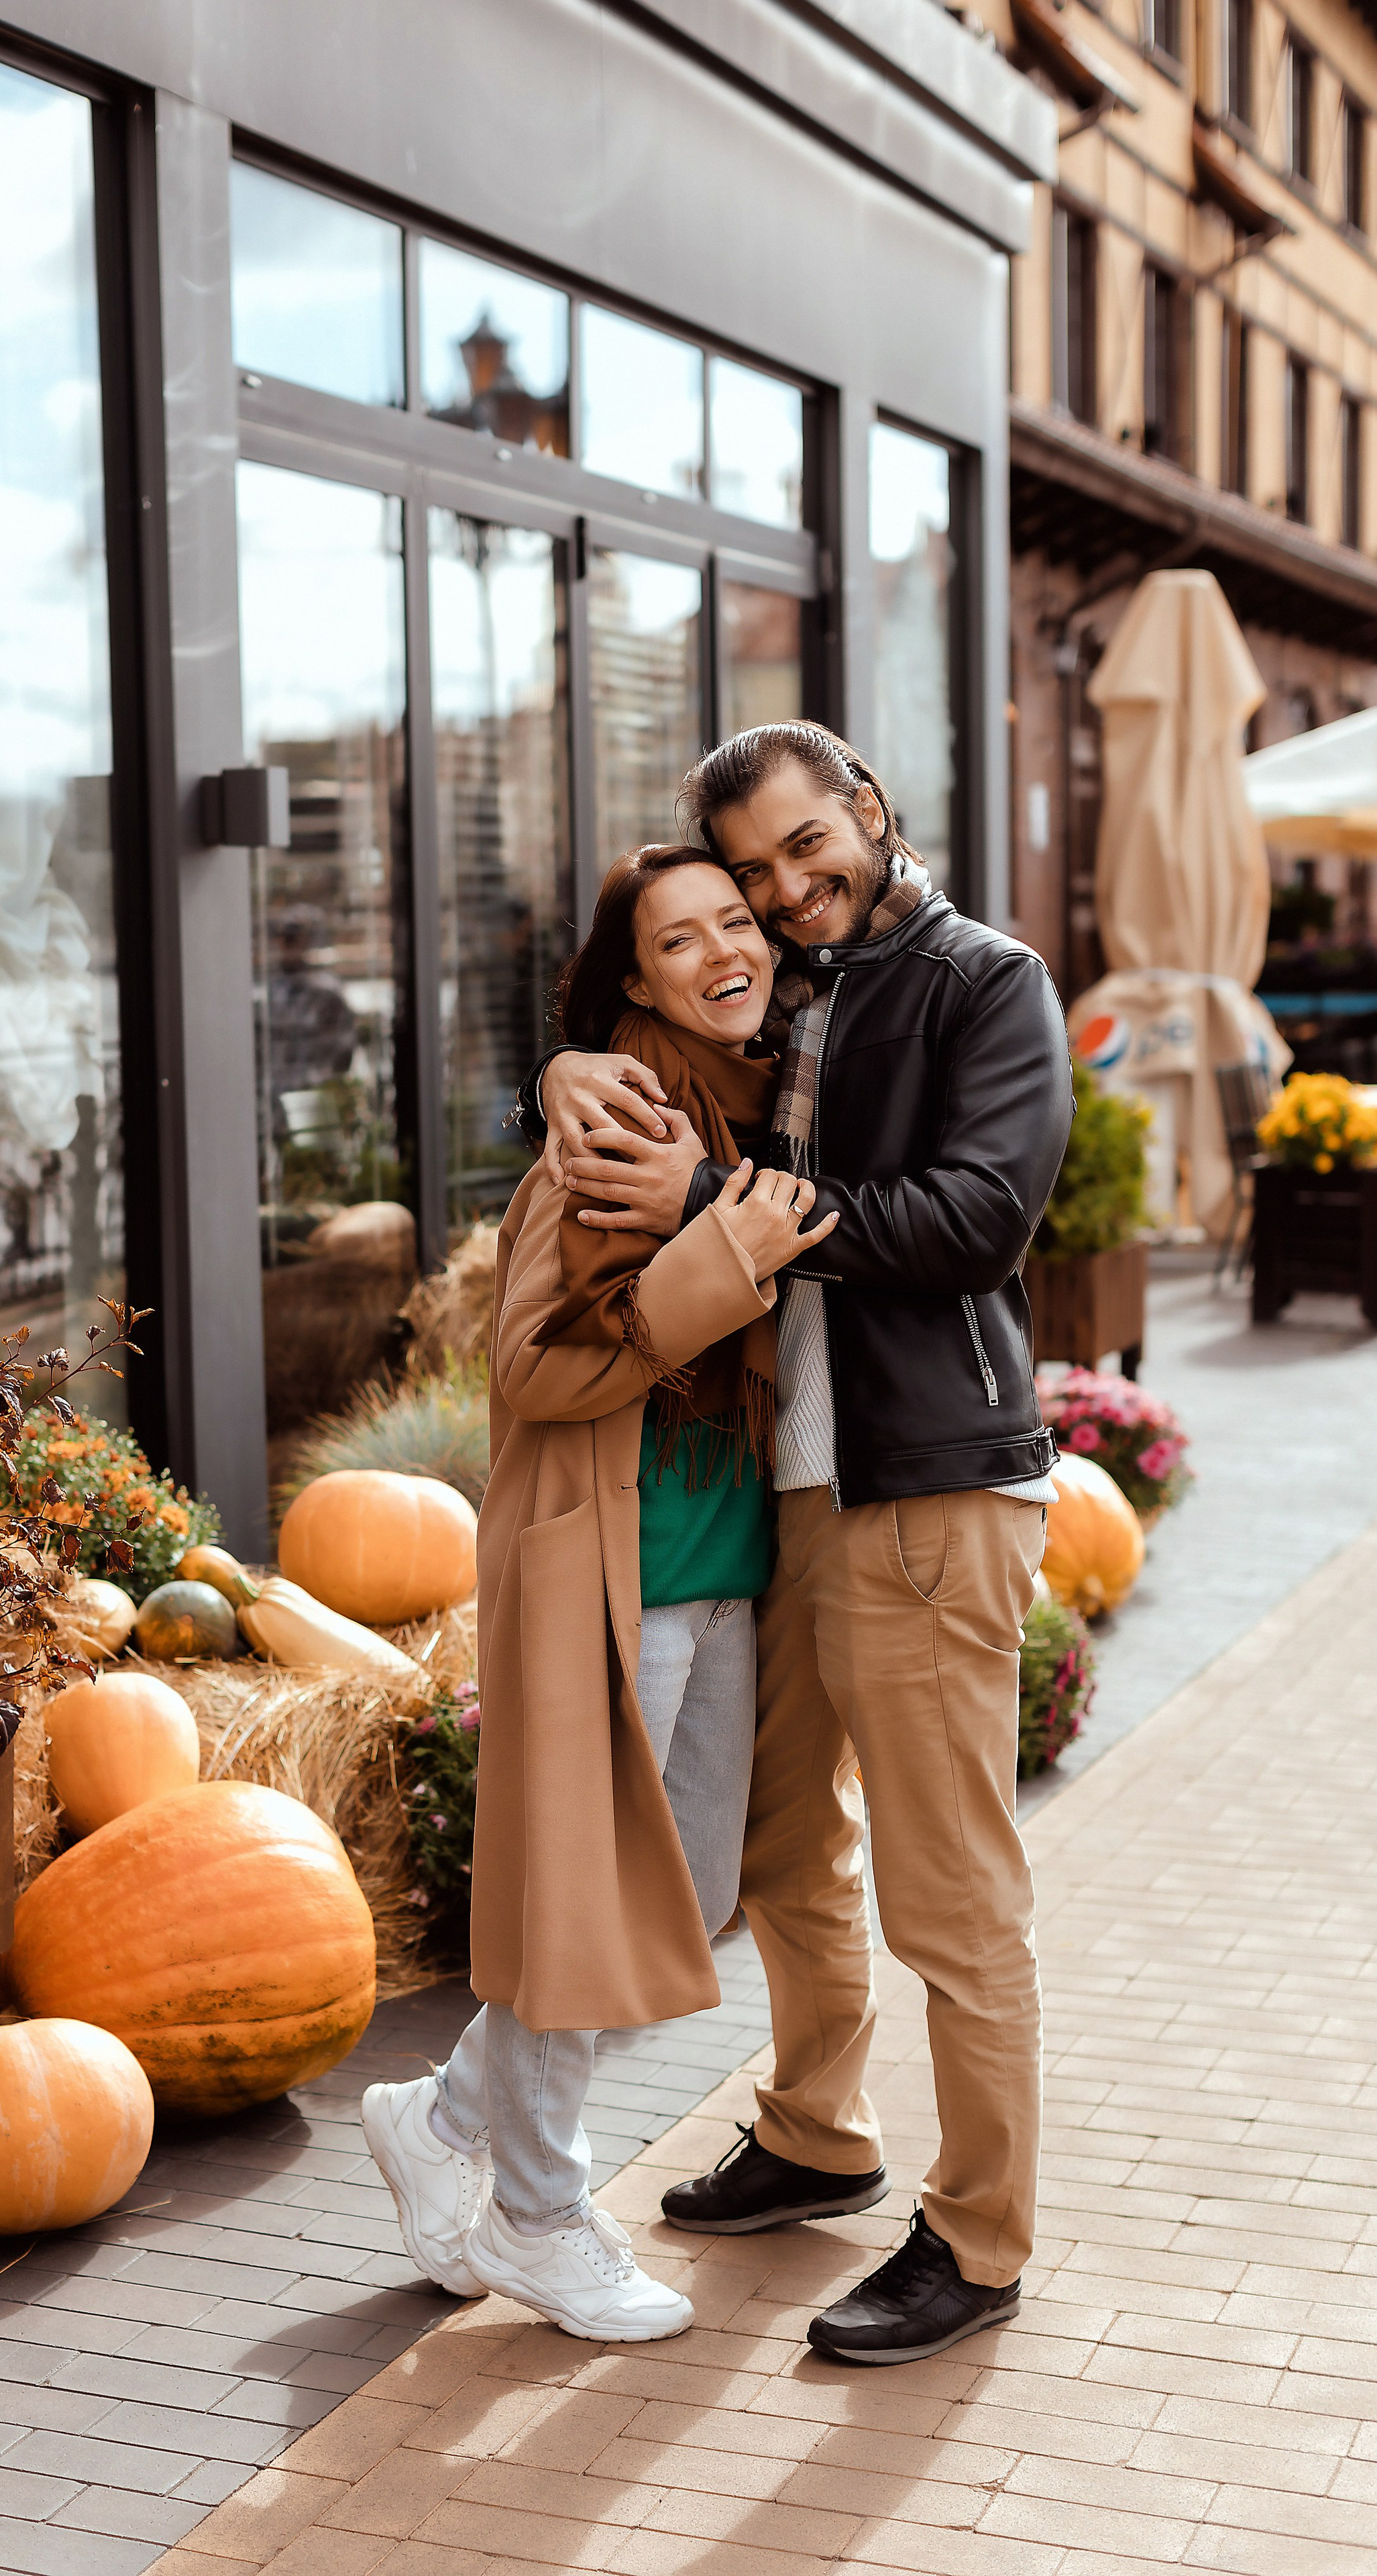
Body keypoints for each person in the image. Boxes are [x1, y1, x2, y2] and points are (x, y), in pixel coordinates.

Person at [527, 722, 1074, 2366]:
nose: (776, 893)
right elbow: (636, 1018)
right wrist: (551, 1065)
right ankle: (818, 2131)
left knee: (947, 1892)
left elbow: (980, 1218)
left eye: (797, 852)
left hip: (930, 1484)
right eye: (750, 877)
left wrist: (727, 1195)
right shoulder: (794, 988)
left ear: (867, 812)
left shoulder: (986, 981)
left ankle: (978, 2237)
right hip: (802, 1492)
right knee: (781, 1850)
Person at [362, 845, 837, 2341]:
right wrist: (716, 1267)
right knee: (580, 1910)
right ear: (634, 980)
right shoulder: (615, 1122)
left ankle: (444, 2120)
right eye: (677, 937)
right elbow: (530, 1366)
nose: (719, 951)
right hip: (601, 1566)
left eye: (734, 923)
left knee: (682, 1899)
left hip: (721, 1570)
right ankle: (539, 2213)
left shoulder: (760, 1103)